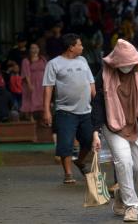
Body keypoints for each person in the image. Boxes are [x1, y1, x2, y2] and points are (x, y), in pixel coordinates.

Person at [91, 39, 138, 222]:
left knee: (137, 166)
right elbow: (98, 103)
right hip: (112, 124)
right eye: (122, 64)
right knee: (123, 163)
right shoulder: (105, 74)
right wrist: (95, 131)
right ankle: (132, 206)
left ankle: (120, 195)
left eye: (130, 64)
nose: (126, 67)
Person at [42, 33, 96, 184]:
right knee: (65, 143)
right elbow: (48, 88)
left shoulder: (83, 60)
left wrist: (97, 103)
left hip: (86, 111)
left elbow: (91, 83)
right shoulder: (54, 64)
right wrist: (46, 110)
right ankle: (68, 174)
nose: (82, 47)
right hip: (65, 111)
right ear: (71, 47)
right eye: (79, 44)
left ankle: (80, 161)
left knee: (88, 140)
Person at [20, 43, 47, 121]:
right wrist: (29, 85)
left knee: (42, 99)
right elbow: (26, 73)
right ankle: (30, 117)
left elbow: (47, 71)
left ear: (39, 49)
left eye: (36, 48)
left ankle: (43, 118)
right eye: (32, 48)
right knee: (30, 99)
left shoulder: (43, 59)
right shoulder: (26, 60)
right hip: (31, 82)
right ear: (29, 50)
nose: (34, 50)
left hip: (42, 83)